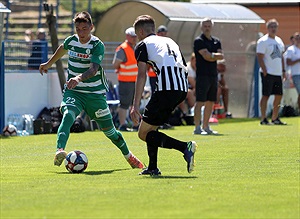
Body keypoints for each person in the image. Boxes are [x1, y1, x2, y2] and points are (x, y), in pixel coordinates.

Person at [39, 11, 143, 169]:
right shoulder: (71, 41)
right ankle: (59, 150)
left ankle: (129, 156)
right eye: (78, 29)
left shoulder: (97, 45)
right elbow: (62, 48)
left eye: (84, 28)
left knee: (111, 133)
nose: (81, 32)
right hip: (74, 91)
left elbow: (94, 69)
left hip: (94, 94)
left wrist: (78, 78)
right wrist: (48, 63)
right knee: (68, 116)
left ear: (91, 27)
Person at [130, 15, 197, 176]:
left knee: (143, 133)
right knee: (151, 129)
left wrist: (135, 105)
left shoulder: (142, 44)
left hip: (166, 89)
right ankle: (153, 168)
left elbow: (141, 75)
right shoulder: (170, 41)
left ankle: (185, 147)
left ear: (140, 31)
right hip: (181, 88)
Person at [193, 18, 224, 135]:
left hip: (213, 75)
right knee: (200, 101)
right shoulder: (199, 41)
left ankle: (206, 126)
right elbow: (206, 56)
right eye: (205, 26)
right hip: (202, 75)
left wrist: (212, 55)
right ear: (201, 27)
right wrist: (213, 55)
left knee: (211, 101)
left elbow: (221, 56)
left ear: (212, 27)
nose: (207, 28)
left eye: (209, 26)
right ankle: (197, 127)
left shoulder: (216, 41)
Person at [256, 19, 287, 125]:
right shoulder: (263, 41)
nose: (273, 29)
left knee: (279, 95)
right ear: (267, 28)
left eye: (275, 26)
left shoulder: (279, 40)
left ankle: (275, 117)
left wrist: (283, 70)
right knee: (266, 95)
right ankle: (263, 118)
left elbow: (281, 56)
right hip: (268, 73)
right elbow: (259, 56)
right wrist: (264, 70)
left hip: (278, 73)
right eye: (271, 26)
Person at [112, 27, 138, 131]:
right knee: (124, 103)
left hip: (135, 80)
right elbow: (115, 64)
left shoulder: (135, 47)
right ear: (127, 36)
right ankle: (122, 125)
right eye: (132, 37)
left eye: (135, 37)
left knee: (135, 103)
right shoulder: (123, 49)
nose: (134, 38)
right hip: (125, 80)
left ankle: (136, 124)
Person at [178, 52, 196, 118]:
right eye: (195, 60)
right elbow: (194, 84)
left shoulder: (199, 68)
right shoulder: (187, 68)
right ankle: (190, 115)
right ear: (192, 60)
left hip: (193, 89)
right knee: (189, 93)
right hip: (183, 89)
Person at [286, 32, 300, 112]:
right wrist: (298, 60)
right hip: (296, 74)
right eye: (297, 38)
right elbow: (288, 62)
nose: (298, 40)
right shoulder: (291, 49)